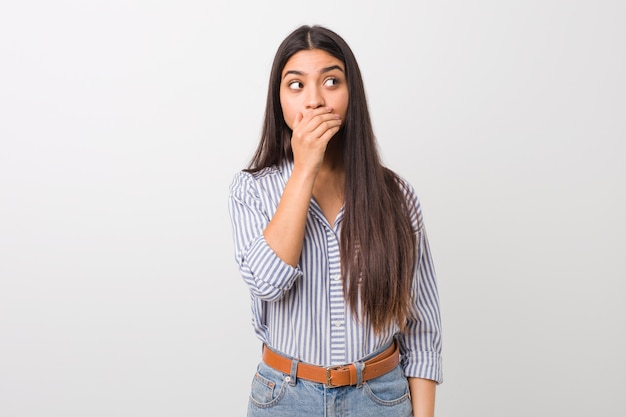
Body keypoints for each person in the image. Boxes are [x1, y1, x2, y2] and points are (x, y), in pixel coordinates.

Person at [228, 24, 443, 417]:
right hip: (285, 398)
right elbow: (267, 282)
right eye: (296, 85)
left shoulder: (396, 195)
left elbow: (423, 327)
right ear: (279, 100)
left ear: (351, 94)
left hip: (380, 398)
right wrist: (304, 168)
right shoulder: (252, 190)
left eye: (331, 81)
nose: (314, 100)